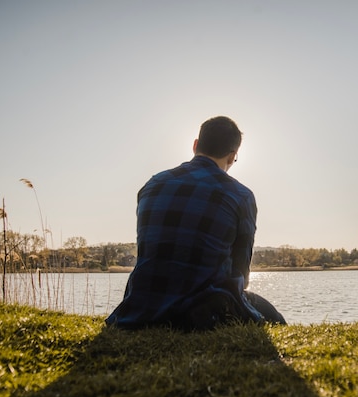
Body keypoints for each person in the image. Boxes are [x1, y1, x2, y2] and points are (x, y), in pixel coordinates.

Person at [106, 116, 285, 330]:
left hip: (141, 307)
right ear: (232, 156)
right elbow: (240, 274)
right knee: (273, 317)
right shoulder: (240, 196)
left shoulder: (152, 185)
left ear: (195, 145)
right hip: (202, 314)